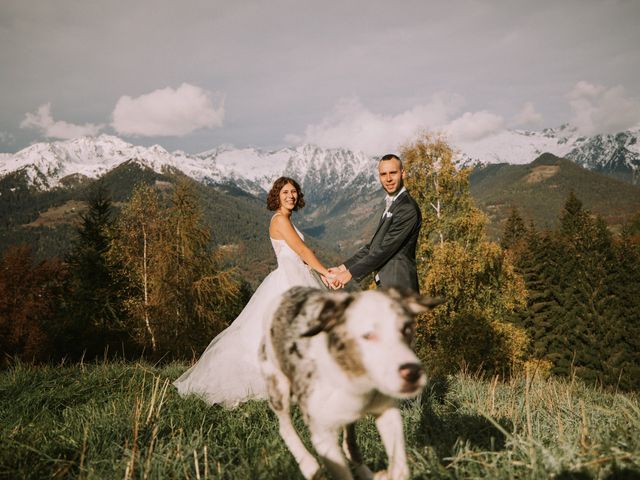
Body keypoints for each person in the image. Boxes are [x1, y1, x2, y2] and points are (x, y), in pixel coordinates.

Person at [174, 177, 333, 407]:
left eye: (294, 192)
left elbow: (301, 253)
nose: (291, 196)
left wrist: (315, 269)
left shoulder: (287, 220)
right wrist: (327, 273)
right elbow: (302, 249)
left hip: (298, 276)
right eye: (285, 192)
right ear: (276, 196)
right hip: (288, 281)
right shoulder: (279, 220)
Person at [331, 153, 422, 292]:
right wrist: (342, 268)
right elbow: (373, 247)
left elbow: (384, 250)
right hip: (388, 285)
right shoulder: (393, 204)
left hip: (400, 286)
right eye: (383, 174)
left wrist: (349, 273)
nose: (388, 179)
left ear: (403, 174)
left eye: (393, 173)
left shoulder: (407, 208)